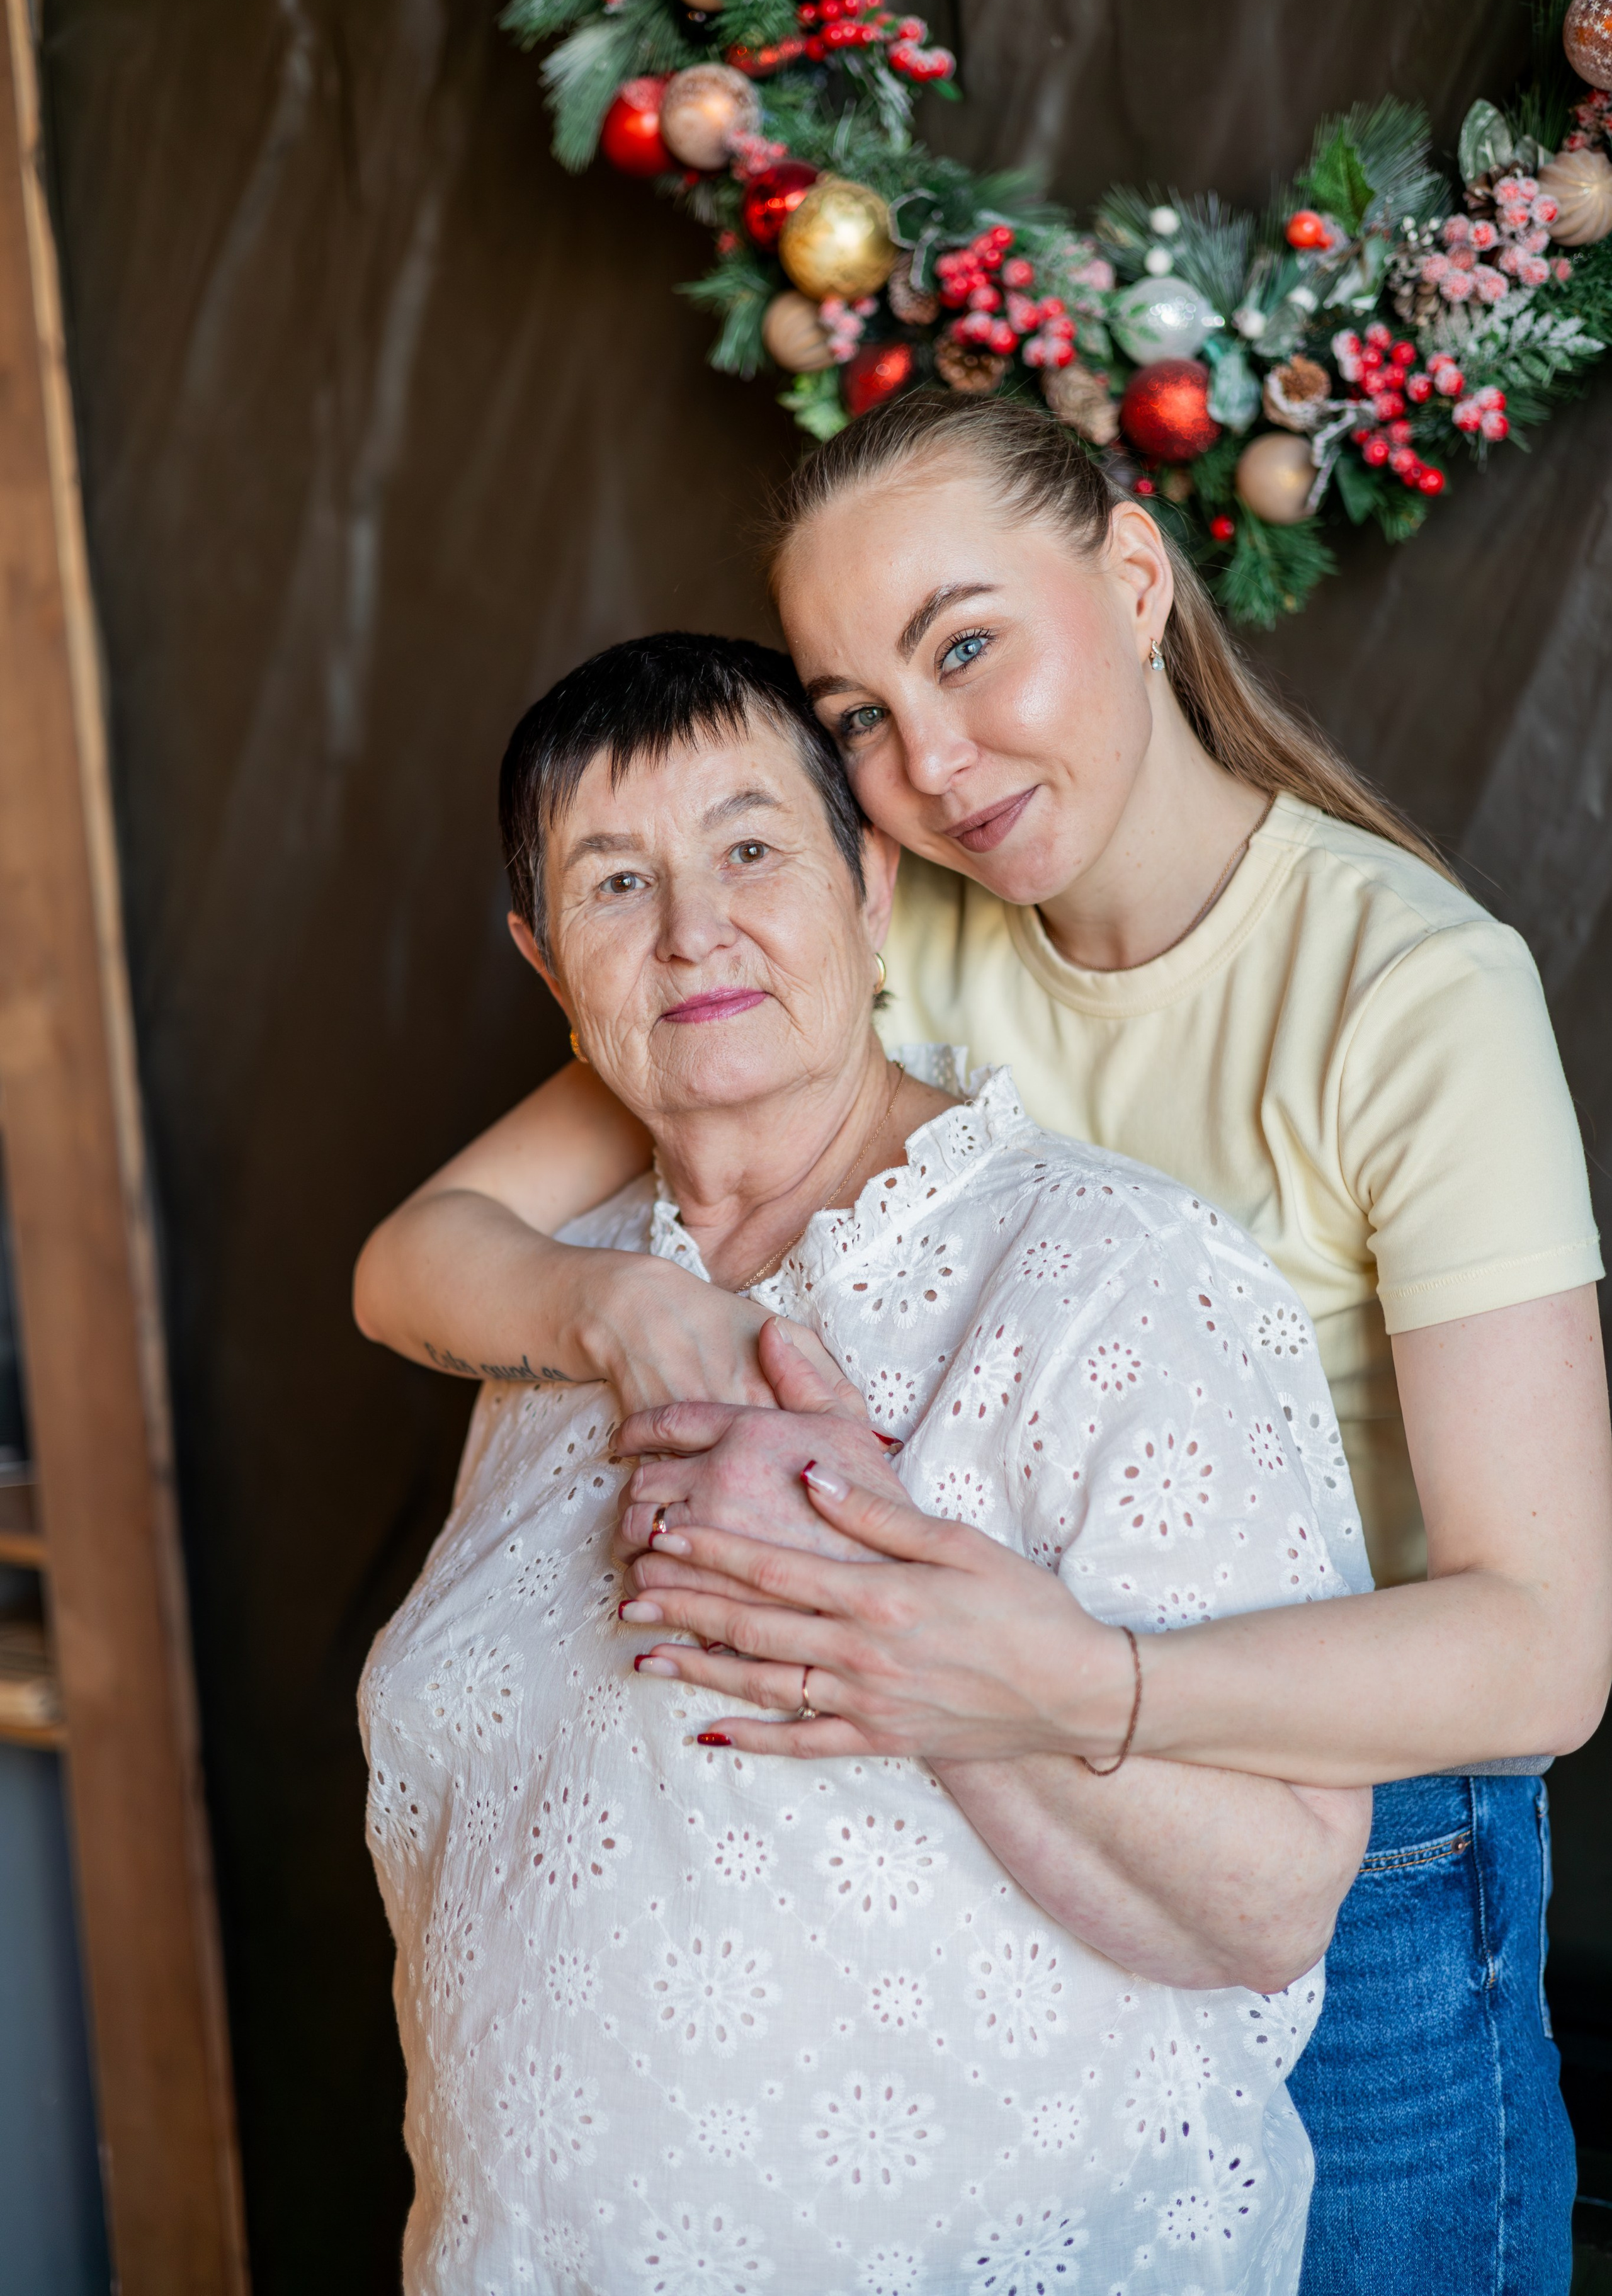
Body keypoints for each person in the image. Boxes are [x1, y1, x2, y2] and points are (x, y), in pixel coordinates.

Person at [353, 399, 1612, 2296]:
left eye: (963, 648)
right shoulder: (902, 920)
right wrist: (626, 1312)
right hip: (995, 1793)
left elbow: (1542, 1650)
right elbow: (424, 1258)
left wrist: (1068, 1680)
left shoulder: (1407, 993)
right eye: (853, 712)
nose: (922, 760)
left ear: (1131, 575)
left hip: (1372, 1853)